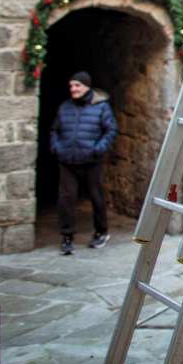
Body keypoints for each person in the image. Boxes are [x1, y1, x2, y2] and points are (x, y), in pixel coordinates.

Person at [49, 70, 117, 254]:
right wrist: (56, 148)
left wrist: (98, 149)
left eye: (77, 85)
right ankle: (67, 236)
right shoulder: (65, 107)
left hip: (91, 161)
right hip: (68, 160)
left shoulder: (101, 107)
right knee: (66, 199)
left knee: (96, 197)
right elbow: (54, 130)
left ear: (86, 86)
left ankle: (101, 232)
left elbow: (110, 130)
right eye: (71, 85)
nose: (73, 89)